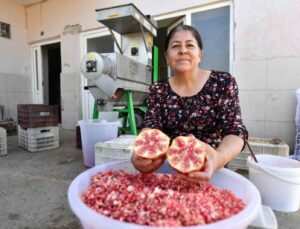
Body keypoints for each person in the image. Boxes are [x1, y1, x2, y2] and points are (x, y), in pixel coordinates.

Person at [131, 24, 248, 182]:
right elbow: (150, 126)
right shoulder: (158, 89)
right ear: (167, 56)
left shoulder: (222, 82)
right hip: (168, 172)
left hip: (212, 171)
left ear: (200, 54)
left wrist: (218, 158)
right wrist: (140, 150)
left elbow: (235, 131)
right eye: (175, 46)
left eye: (190, 45)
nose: (183, 50)